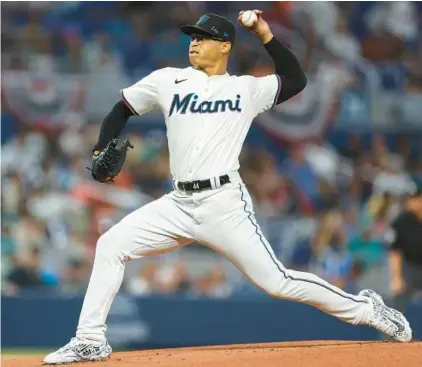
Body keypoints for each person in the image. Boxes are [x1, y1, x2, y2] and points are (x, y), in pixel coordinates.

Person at [44, 10, 412, 365]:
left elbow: (295, 80)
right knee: (111, 244)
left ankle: (367, 309)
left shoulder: (245, 89)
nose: (194, 43)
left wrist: (264, 34)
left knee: (278, 283)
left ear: (225, 47)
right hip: (178, 203)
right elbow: (121, 108)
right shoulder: (168, 79)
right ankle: (90, 339)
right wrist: (100, 148)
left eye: (204, 38)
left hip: (223, 203)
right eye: (192, 37)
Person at [386, 181, 422, 313]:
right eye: (407, 198)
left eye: (413, 198)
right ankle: (392, 333)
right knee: (397, 305)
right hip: (409, 267)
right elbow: (394, 251)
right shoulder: (401, 222)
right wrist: (396, 277)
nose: (409, 202)